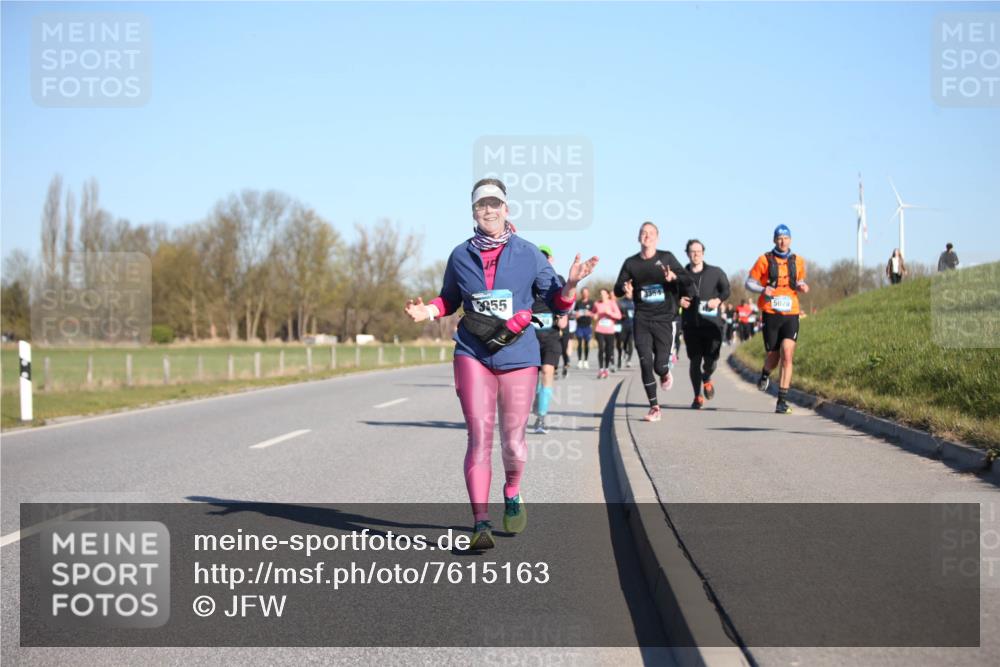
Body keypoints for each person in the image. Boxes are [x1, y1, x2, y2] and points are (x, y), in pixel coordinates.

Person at [405, 178, 598, 549]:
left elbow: (556, 301)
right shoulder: (460, 255)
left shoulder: (529, 254)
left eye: (494, 204)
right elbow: (449, 299)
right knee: (479, 437)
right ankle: (481, 523)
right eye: (481, 205)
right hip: (472, 352)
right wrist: (426, 310)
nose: (488, 210)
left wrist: (571, 284)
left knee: (513, 442)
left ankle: (512, 490)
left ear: (506, 209)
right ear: (473, 212)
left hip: (518, 356)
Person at [613, 221, 695, 422]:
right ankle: (654, 407)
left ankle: (665, 373)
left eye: (651, 233)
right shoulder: (631, 263)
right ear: (638, 237)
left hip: (664, 320)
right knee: (645, 362)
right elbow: (617, 289)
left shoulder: (666, 258)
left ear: (657, 238)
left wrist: (673, 278)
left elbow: (688, 282)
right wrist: (625, 289)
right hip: (642, 318)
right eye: (643, 232)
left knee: (659, 366)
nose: (647, 236)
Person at [745, 224, 809, 415]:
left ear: (790, 240)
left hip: (791, 312)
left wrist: (803, 286)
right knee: (773, 357)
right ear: (774, 240)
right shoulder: (764, 260)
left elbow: (799, 280)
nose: (783, 241)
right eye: (779, 238)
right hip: (771, 312)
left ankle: (782, 401)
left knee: (787, 353)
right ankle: (765, 373)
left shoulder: (798, 260)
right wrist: (762, 289)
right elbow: (749, 283)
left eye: (786, 238)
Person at [679, 239, 730, 409]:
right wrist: (679, 301)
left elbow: (726, 290)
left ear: (703, 253)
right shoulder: (681, 275)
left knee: (711, 360)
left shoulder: (715, 272)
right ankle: (697, 396)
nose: (696, 254)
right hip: (691, 325)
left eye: (699, 251)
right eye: (692, 251)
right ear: (687, 253)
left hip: (711, 325)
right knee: (694, 361)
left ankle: (707, 376)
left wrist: (718, 300)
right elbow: (673, 293)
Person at [531, 245, 567, 434]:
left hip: (551, 336)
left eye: (546, 257)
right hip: (529, 336)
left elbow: (565, 302)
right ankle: (538, 400)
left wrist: (564, 316)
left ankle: (541, 417)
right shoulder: (527, 280)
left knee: (547, 371)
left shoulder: (558, 280)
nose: (543, 260)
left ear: (551, 259)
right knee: (530, 380)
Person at [590, 288, 622, 379]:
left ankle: (606, 369)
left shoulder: (612, 303)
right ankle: (601, 369)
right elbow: (592, 313)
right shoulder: (597, 304)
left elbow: (619, 316)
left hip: (610, 331)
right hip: (599, 330)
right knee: (601, 348)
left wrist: (610, 313)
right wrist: (594, 316)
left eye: (604, 294)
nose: (602, 295)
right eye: (601, 294)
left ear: (608, 295)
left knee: (609, 350)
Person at [573, 287, 594, 368]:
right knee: (579, 343)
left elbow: (595, 314)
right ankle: (579, 361)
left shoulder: (591, 302)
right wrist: (576, 315)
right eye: (583, 292)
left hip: (588, 326)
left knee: (586, 343)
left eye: (586, 292)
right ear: (581, 293)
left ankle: (586, 360)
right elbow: (574, 313)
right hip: (579, 326)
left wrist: (590, 314)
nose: (585, 294)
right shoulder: (578, 303)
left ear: (588, 293)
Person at [615, 293, 635, 369]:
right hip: (623, 325)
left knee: (630, 342)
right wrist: (621, 315)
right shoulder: (620, 302)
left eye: (629, 292)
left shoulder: (635, 301)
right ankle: (623, 353)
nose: (628, 294)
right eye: (626, 293)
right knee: (622, 342)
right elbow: (617, 312)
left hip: (632, 326)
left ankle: (629, 360)